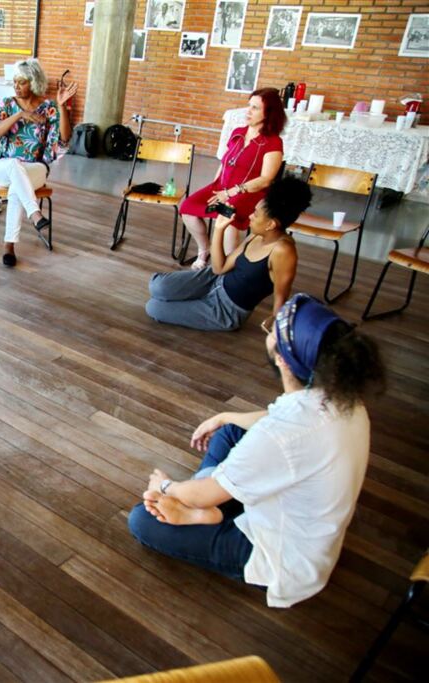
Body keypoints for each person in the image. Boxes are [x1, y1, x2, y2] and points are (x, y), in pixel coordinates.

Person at [128, 293, 384, 608]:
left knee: (142, 520)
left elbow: (272, 439)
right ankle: (210, 505)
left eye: (271, 329)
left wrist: (166, 486)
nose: (267, 329)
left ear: (282, 359)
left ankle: (206, 511)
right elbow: (273, 421)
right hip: (305, 522)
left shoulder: (281, 435)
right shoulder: (342, 396)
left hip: (281, 558)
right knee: (231, 431)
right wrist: (224, 416)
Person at [145, 177, 311, 332]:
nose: (250, 216)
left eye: (255, 214)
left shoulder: (283, 251)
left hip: (226, 309)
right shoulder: (257, 235)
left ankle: (193, 303)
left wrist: (276, 326)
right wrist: (219, 229)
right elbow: (219, 268)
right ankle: (192, 300)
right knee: (157, 286)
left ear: (271, 224)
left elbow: (281, 295)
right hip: (214, 280)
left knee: (154, 307)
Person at [180, 87, 285, 269]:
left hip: (249, 193)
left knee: (228, 216)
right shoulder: (238, 132)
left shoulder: (273, 142)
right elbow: (225, 162)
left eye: (255, 108)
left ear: (269, 113)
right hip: (222, 187)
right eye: (249, 105)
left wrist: (230, 193)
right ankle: (204, 250)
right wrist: (215, 185)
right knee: (188, 208)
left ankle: (227, 265)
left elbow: (266, 179)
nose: (248, 111)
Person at [0, 58, 76, 267]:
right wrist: (20, 115)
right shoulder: (8, 104)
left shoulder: (48, 108)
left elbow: (64, 138)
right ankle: (35, 214)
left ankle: (9, 245)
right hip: (3, 166)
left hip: (34, 168)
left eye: (22, 82)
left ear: (34, 83)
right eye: (15, 82)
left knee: (17, 186)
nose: (16, 86)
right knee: (14, 165)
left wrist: (61, 106)